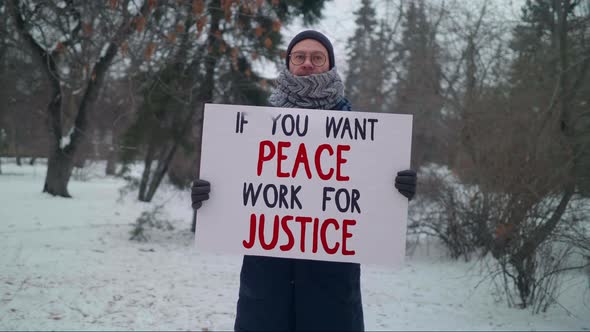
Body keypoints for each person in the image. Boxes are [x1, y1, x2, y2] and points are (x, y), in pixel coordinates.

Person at [191, 30, 417, 331]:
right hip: (265, 286)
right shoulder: (256, 126)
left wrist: (398, 188)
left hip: (332, 288)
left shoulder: (358, 130)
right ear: (288, 64)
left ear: (330, 65)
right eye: (299, 57)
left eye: (317, 57)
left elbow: (370, 201)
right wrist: (209, 194)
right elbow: (239, 193)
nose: (307, 63)